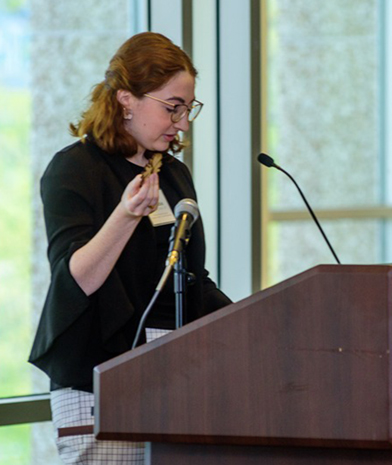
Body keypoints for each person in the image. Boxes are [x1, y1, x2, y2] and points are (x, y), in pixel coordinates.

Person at [28, 32, 231, 464]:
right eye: (172, 107)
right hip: (99, 372)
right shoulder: (75, 168)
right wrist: (124, 215)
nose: (183, 122)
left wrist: (255, 320)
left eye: (188, 108)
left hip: (176, 372)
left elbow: (191, 278)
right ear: (126, 99)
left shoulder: (174, 175)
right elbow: (75, 278)